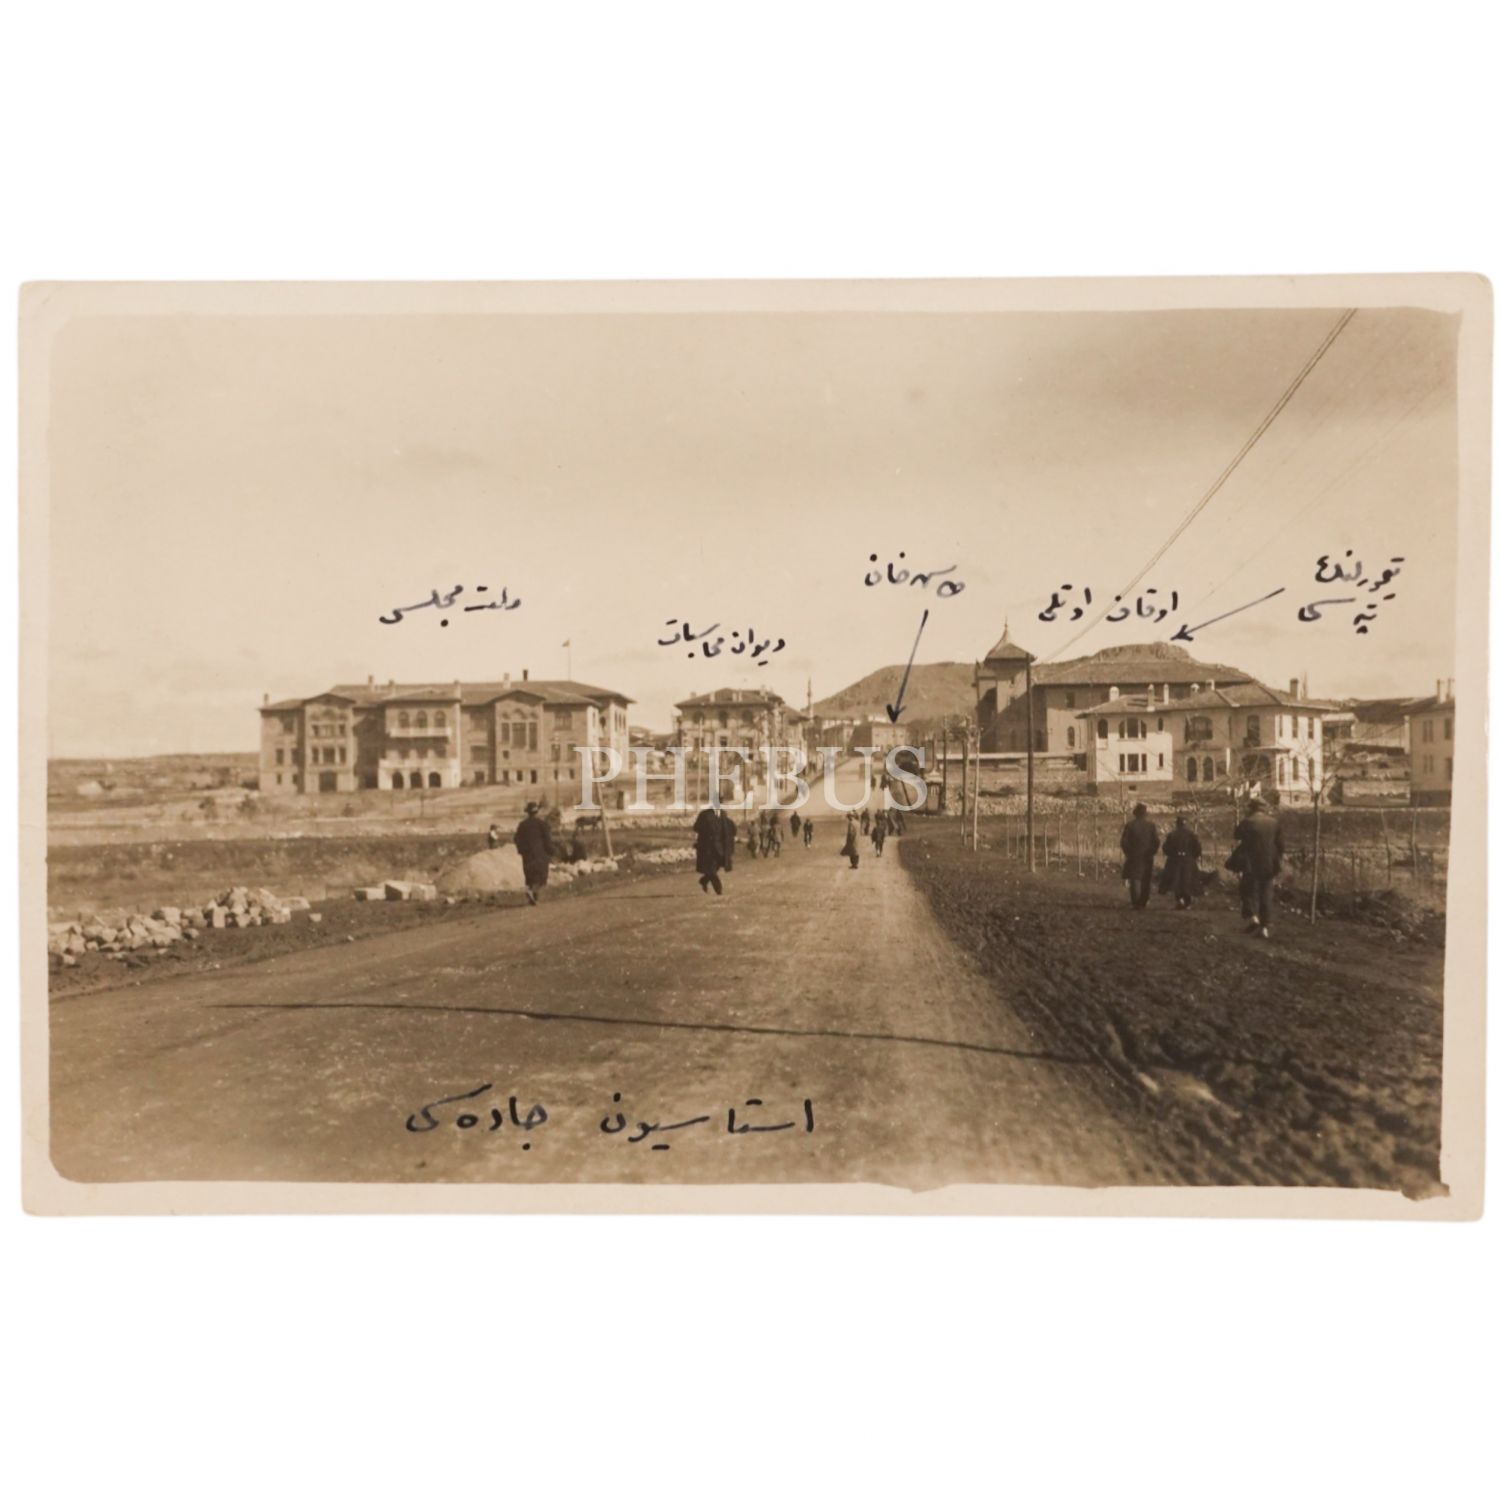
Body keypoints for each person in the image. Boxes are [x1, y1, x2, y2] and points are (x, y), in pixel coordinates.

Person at [1232, 796, 1285, 937]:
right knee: (1266, 894)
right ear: (1264, 808)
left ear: (1251, 808)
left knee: (1247, 891)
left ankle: (1253, 918)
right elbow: (1281, 846)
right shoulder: (1274, 822)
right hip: (1269, 864)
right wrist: (1276, 860)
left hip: (1251, 863)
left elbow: (1236, 835)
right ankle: (1264, 928)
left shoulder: (1247, 822)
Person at [1119, 802, 1160, 910]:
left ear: (1135, 813)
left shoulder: (1130, 825)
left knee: (1135, 879)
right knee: (1146, 879)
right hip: (1147, 857)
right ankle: (1144, 901)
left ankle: (1136, 902)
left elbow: (1124, 842)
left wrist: (1129, 853)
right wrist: (1151, 852)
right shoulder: (1151, 826)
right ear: (1145, 814)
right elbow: (1156, 842)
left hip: (1134, 856)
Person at [514, 801, 555, 906]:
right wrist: (551, 851)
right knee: (541, 876)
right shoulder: (542, 824)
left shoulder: (522, 825)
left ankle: (532, 895)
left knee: (530, 875)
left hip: (527, 855)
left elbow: (516, 839)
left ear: (528, 812)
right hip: (540, 854)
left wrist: (521, 850)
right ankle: (533, 893)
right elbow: (547, 840)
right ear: (537, 812)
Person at [1160, 814, 1202, 910]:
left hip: (1175, 860)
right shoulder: (1192, 835)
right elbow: (1198, 849)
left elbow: (1166, 848)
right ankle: (1186, 902)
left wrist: (1172, 855)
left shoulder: (1172, 835)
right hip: (1188, 860)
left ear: (1177, 824)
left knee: (1177, 882)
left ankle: (1180, 900)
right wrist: (1192, 857)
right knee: (1187, 881)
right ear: (1186, 824)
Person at [693, 803, 730, 896]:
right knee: (712, 869)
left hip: (719, 847)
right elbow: (696, 827)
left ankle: (704, 880)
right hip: (707, 847)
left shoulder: (723, 814)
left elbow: (726, 831)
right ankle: (718, 889)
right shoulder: (704, 815)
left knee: (715, 868)